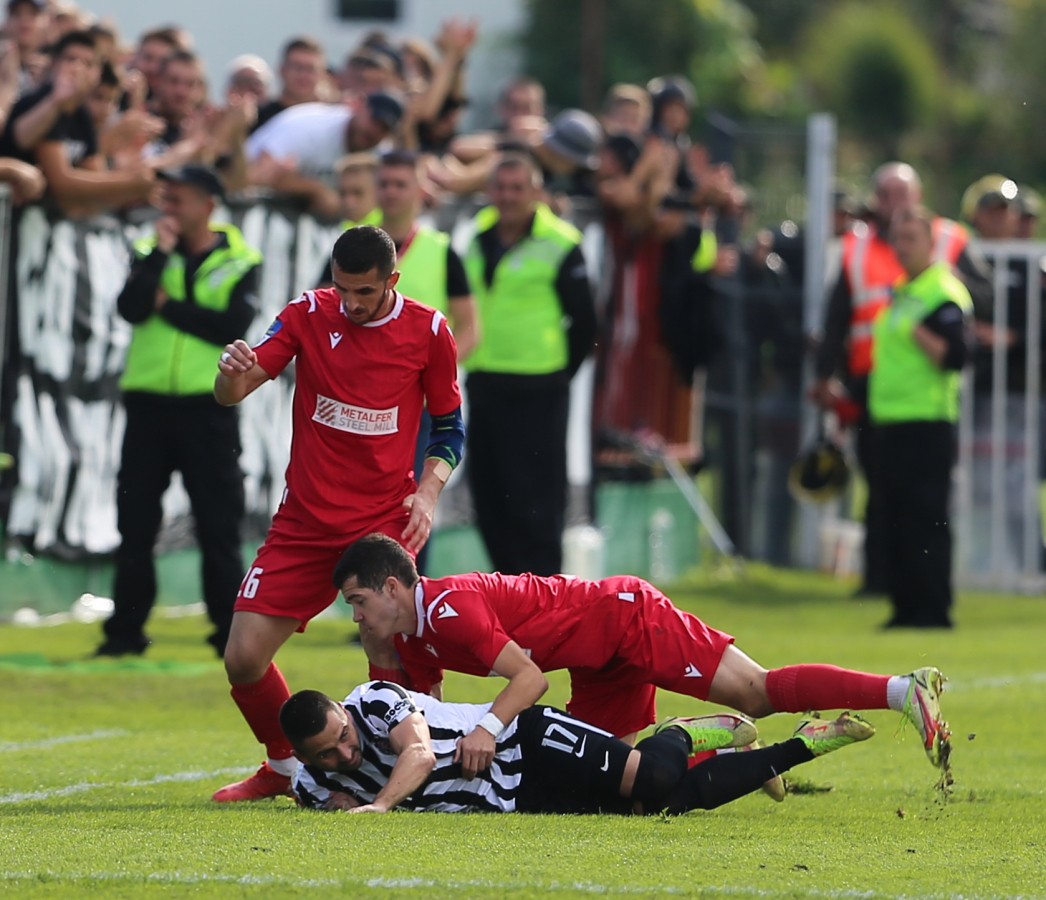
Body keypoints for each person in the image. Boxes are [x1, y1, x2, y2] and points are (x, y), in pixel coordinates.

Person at [333, 532, 951, 778]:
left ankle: (903, 690)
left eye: (359, 601)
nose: (355, 616)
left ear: (394, 587)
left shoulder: (450, 609)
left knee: (756, 692)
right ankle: (722, 743)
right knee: (620, 776)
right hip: (594, 658)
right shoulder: (410, 635)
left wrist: (490, 730)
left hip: (625, 617)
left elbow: (527, 682)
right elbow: (421, 716)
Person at [209, 225, 464, 802]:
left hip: (380, 526)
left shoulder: (428, 331)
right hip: (303, 520)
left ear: (391, 282)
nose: (350, 303)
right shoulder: (307, 312)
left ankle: (420, 777)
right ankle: (282, 767)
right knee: (244, 658)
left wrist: (426, 494)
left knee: (392, 654)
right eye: (342, 289)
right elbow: (238, 389)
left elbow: (450, 428)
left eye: (364, 294)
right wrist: (230, 375)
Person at [95, 164, 261, 658]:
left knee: (218, 523)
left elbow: (228, 326)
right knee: (136, 521)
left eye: (180, 199)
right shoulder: (149, 253)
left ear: (209, 203)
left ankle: (227, 635)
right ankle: (124, 634)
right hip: (147, 405)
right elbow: (130, 308)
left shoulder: (241, 258)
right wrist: (159, 260)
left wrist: (166, 304)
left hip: (206, 405)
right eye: (166, 199)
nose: (169, 209)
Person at [279, 683, 875, 814]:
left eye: (344, 739)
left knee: (652, 779)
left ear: (344, 714)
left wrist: (379, 807)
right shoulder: (310, 783)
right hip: (514, 797)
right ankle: (805, 745)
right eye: (327, 756)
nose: (345, 755)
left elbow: (419, 755)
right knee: (658, 808)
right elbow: (330, 807)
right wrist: (339, 805)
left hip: (529, 741)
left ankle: (682, 733)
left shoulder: (374, 701)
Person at [812, 161, 989, 597]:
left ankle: (923, 593)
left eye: (901, 193)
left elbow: (982, 300)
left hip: (924, 395)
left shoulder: (950, 240)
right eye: (885, 194)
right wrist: (823, 374)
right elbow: (837, 318)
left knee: (923, 504)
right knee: (880, 493)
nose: (894, 205)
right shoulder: (856, 248)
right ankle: (881, 582)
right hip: (873, 386)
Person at [463, 152, 597, 576]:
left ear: (536, 192)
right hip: (486, 382)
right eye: (500, 188)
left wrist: (557, 372)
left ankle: (544, 597)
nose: (508, 197)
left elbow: (587, 323)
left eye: (518, 188)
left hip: (539, 389)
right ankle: (508, 591)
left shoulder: (561, 242)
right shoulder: (477, 236)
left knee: (536, 501)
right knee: (489, 494)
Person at [373, 149, 478, 573]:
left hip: (417, 408)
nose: (391, 193)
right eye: (385, 183)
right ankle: (369, 607)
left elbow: (469, 328)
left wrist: (434, 381)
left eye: (401, 184)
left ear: (420, 191)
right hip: (361, 407)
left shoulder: (441, 251)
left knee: (412, 504)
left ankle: (411, 607)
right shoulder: (354, 243)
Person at [868, 206, 972, 628]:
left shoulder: (941, 290)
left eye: (912, 238)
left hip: (927, 421)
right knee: (893, 518)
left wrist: (918, 332)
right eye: (898, 238)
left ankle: (933, 609)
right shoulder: (900, 289)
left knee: (926, 519)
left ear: (931, 243)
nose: (903, 247)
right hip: (891, 420)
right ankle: (903, 608)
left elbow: (956, 356)